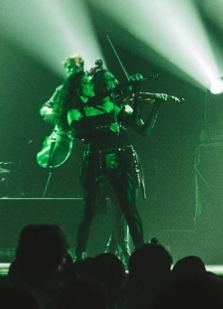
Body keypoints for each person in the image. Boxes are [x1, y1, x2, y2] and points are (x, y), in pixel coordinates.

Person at [66, 64, 161, 259]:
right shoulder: (76, 110)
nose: (114, 84)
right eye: (88, 84)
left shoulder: (111, 106)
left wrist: (136, 91)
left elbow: (136, 123)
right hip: (95, 163)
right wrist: (104, 129)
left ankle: (140, 254)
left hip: (120, 162)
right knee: (89, 213)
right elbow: (78, 132)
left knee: (129, 209)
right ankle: (79, 255)